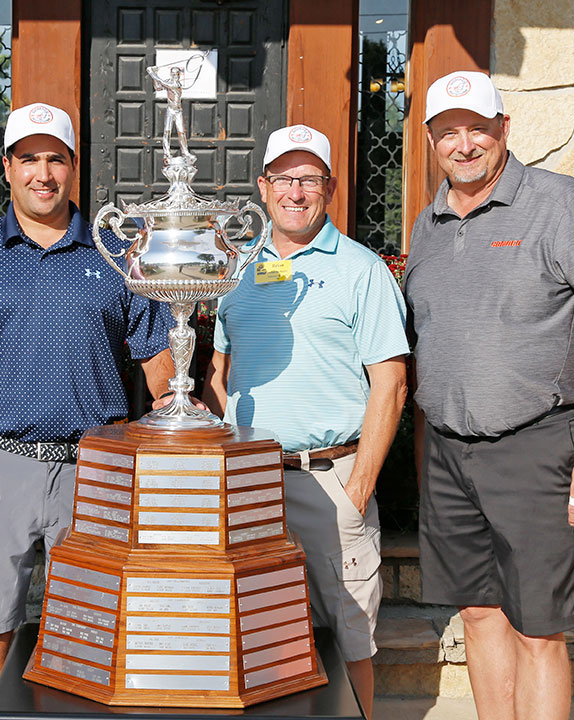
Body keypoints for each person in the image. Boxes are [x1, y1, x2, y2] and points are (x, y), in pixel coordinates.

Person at [0, 102, 174, 719]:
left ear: (73, 168)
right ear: (6, 167)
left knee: (88, 633)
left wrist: (176, 455)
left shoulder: (118, 254)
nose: (42, 173)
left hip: (94, 473)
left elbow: (161, 366)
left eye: (54, 158)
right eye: (28, 158)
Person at [405, 71, 574, 720]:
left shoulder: (560, 204)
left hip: (538, 447)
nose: (463, 145)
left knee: (538, 630)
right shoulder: (426, 227)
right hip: (451, 456)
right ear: (431, 141)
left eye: (477, 129)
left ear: (504, 130)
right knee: (479, 615)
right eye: (447, 132)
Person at [201, 124, 409, 719]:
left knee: (349, 642)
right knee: (257, 637)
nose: (296, 191)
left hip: (332, 483)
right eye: (284, 178)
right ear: (264, 188)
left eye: (310, 179)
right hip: (250, 488)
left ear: (330, 188)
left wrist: (358, 488)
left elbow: (390, 385)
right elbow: (217, 370)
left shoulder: (362, 270)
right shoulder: (234, 268)